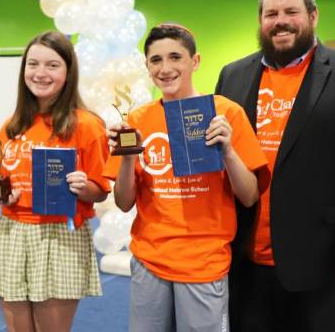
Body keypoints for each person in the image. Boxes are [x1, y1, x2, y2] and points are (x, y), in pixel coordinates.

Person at [215, 0, 335, 331]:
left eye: (291, 11)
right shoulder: (233, 76)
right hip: (245, 256)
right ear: (260, 22)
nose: (280, 21)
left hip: (321, 258)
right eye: (271, 13)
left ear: (313, 16)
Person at [104, 23, 269, 332]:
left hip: (203, 264)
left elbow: (249, 196)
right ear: (147, 66)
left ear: (194, 62)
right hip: (149, 261)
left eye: (175, 57)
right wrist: (128, 160)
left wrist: (229, 151)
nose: (165, 68)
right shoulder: (137, 119)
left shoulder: (225, 114)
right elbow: (124, 203)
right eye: (156, 60)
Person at [0, 31, 110, 332]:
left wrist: (82, 186)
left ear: (68, 72)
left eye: (52, 65)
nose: (40, 73)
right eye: (33, 64)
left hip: (60, 236)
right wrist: (2, 194)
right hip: (11, 233)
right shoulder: (12, 125)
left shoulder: (87, 125)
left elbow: (100, 191)